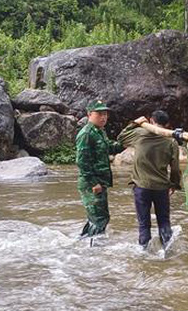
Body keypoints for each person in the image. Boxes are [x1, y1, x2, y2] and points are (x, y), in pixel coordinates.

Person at [118, 110, 181, 248]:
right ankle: (167, 251)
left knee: (144, 224)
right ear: (168, 124)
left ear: (151, 121)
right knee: (164, 222)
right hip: (161, 188)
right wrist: (174, 184)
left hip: (141, 187)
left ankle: (143, 252)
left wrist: (135, 123)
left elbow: (121, 138)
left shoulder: (139, 134)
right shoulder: (171, 141)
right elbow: (175, 168)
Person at [76, 100, 124, 237]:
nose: (103, 117)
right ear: (90, 114)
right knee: (100, 218)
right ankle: (94, 249)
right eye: (100, 114)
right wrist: (94, 183)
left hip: (100, 182)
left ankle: (84, 242)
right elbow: (82, 162)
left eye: (105, 114)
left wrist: (124, 144)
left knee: (97, 216)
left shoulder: (99, 132)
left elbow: (109, 147)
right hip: (91, 183)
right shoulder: (87, 134)